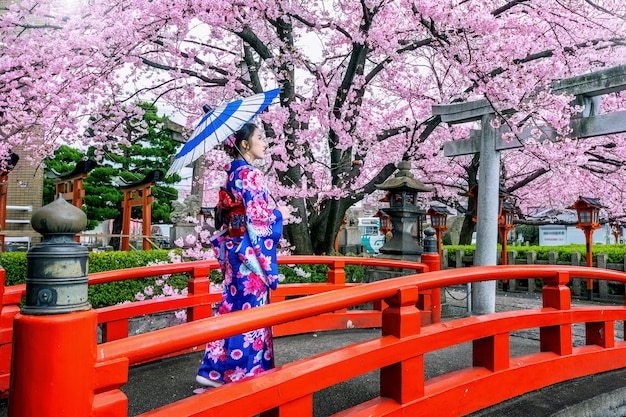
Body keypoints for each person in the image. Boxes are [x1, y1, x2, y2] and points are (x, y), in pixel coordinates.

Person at [196, 122, 291, 389]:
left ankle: (213, 370)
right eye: (259, 138)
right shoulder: (250, 174)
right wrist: (279, 215)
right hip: (249, 255)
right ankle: (243, 373)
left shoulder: (232, 175)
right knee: (250, 311)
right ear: (245, 144)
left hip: (234, 253)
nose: (264, 142)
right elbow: (258, 218)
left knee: (231, 307)